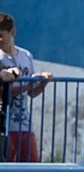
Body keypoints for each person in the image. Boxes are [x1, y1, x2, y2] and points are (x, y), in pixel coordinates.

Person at [0, 12, 53, 162]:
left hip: (24, 124)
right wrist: (29, 84)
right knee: (7, 168)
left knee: (31, 166)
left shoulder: (26, 56)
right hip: (5, 125)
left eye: (1, 35)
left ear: (12, 32)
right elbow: (3, 93)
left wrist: (42, 83)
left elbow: (31, 93)